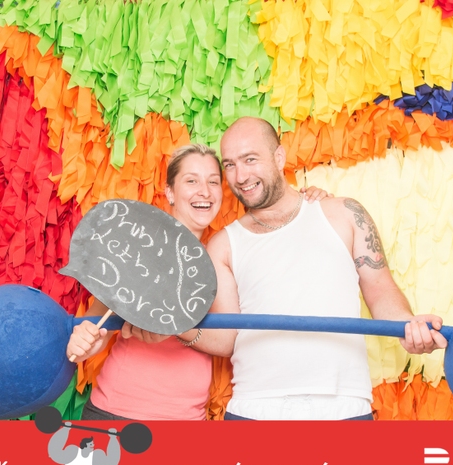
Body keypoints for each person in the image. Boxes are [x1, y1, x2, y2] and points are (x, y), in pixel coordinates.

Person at [128, 117, 448, 421]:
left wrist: (408, 327)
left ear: (279, 157)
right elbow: (225, 338)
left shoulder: (344, 213)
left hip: (342, 406)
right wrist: (166, 321)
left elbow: (379, 288)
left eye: (250, 159)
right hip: (254, 408)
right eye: (230, 165)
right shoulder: (223, 245)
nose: (240, 176)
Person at [65, 143, 329, 420]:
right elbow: (97, 329)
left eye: (213, 182)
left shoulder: (221, 256)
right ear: (170, 192)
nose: (204, 191)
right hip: (116, 413)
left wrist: (307, 204)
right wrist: (84, 344)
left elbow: (227, 342)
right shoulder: (137, 247)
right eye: (191, 181)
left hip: (187, 421)